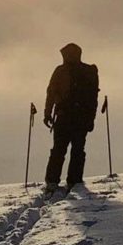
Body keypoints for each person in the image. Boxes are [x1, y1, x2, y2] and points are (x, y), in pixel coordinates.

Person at [41, 41, 102, 191]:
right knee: (77, 149)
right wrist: (91, 118)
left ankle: (53, 181)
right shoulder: (89, 71)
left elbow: (51, 93)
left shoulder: (60, 71)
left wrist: (47, 114)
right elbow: (93, 99)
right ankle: (73, 181)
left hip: (65, 116)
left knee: (59, 149)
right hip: (80, 117)